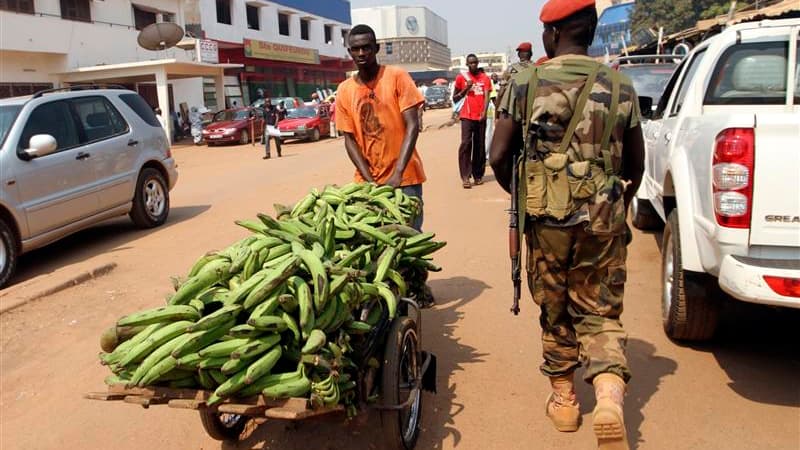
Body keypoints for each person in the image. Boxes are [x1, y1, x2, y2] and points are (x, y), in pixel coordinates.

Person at [489, 1, 645, 449]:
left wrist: (525, 196)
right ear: (591, 31)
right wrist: (614, 206)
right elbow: (636, 163)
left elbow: (498, 156)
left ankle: (565, 402)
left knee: (555, 309)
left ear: (553, 33)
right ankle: (610, 394)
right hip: (604, 218)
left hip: (545, 221)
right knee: (600, 311)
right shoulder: (620, 84)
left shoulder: (525, 82)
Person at [335, 23, 434, 306]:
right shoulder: (344, 91)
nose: (362, 53)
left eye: (367, 47)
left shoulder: (397, 77)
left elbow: (413, 125)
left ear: (377, 48)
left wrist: (397, 173)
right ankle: (391, 292)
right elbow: (349, 139)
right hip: (367, 182)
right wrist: (368, 179)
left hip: (406, 177)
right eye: (356, 48)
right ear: (349, 52)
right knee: (376, 241)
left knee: (411, 237)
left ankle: (419, 284)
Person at [453, 54, 492, 188]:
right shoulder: (461, 78)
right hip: (466, 116)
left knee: (479, 145)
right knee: (465, 144)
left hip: (480, 116)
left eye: (475, 62)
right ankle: (465, 176)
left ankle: (478, 175)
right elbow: (455, 99)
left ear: (478, 63)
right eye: (470, 63)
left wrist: (484, 112)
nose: (473, 65)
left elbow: (487, 96)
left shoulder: (485, 78)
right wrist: (466, 88)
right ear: (467, 64)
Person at [485, 72, 499, 159]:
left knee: (489, 132)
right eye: (493, 76)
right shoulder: (489, 84)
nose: (495, 78)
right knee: (489, 132)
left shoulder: (497, 85)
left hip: (488, 110)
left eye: (496, 76)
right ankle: (486, 154)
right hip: (490, 110)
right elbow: (494, 99)